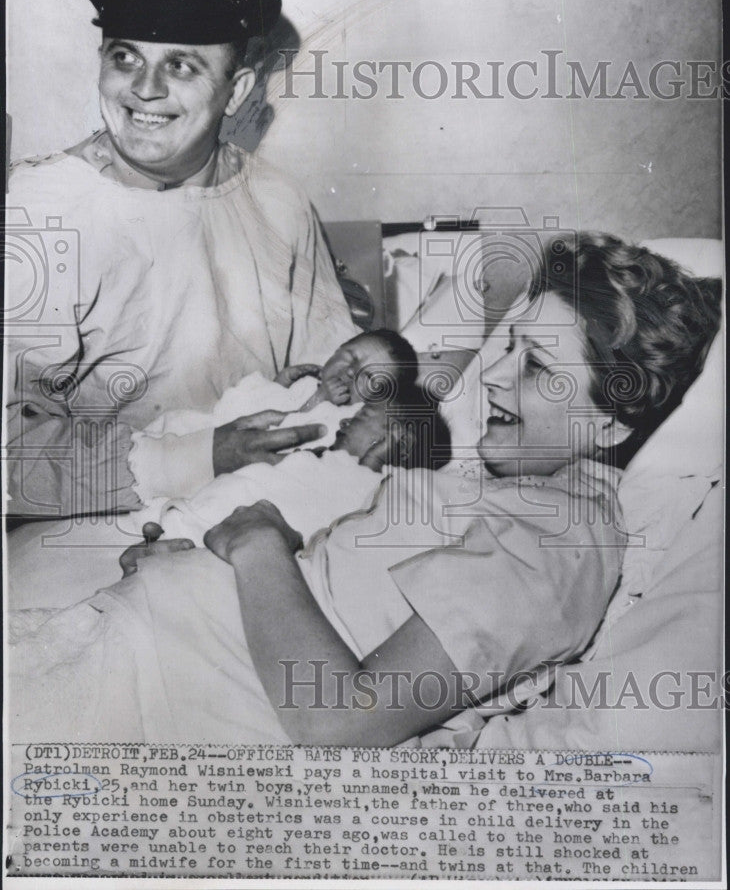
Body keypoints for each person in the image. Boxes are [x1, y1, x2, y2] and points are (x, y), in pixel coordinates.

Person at [8, 234, 721, 746]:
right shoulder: (518, 497)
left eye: (534, 365)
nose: (494, 376)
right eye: (506, 345)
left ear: (609, 414)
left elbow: (339, 721)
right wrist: (198, 563)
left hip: (152, 701)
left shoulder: (562, 542)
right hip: (145, 658)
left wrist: (257, 544)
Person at [5, 0, 357, 521]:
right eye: (125, 57)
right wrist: (198, 457)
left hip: (271, 506)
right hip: (93, 524)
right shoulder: (38, 208)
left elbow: (342, 372)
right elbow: (11, 454)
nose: (144, 89)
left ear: (239, 89)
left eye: (182, 66)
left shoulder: (278, 201)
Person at [123, 387, 452, 554]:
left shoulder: (367, 489)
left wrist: (372, 464)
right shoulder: (321, 461)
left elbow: (345, 508)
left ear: (397, 441)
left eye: (364, 417)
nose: (348, 419)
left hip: (217, 536)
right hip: (200, 516)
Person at [125, 328, 420, 504]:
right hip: (207, 431)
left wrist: (316, 401)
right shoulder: (305, 383)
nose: (351, 372)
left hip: (225, 469)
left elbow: (287, 444)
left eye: (369, 379)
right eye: (350, 357)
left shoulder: (341, 423)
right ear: (335, 351)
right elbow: (233, 407)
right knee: (170, 431)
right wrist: (276, 385)